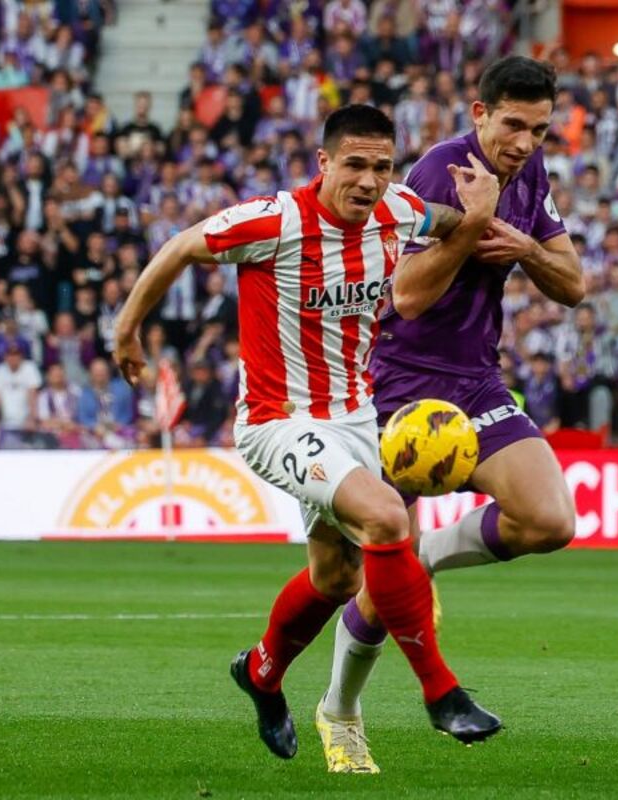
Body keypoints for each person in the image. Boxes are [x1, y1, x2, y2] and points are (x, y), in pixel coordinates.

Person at [111, 105, 504, 764]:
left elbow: (440, 223)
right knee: (388, 520)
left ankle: (261, 674)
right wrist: (127, 329)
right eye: (354, 165)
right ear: (324, 163)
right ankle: (442, 694)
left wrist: (473, 211)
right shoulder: (275, 221)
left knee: (336, 578)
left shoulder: (398, 211)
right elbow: (180, 246)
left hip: (353, 420)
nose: (368, 180)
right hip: (278, 421)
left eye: (381, 166)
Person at [317, 57, 584, 773]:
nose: (525, 142)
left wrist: (525, 245)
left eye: (539, 129)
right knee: (363, 579)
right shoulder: (440, 172)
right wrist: (470, 229)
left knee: (551, 520)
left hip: (475, 382)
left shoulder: (531, 177)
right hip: (396, 387)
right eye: (513, 124)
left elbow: (575, 285)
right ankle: (340, 710)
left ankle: (424, 559)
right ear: (479, 114)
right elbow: (404, 295)